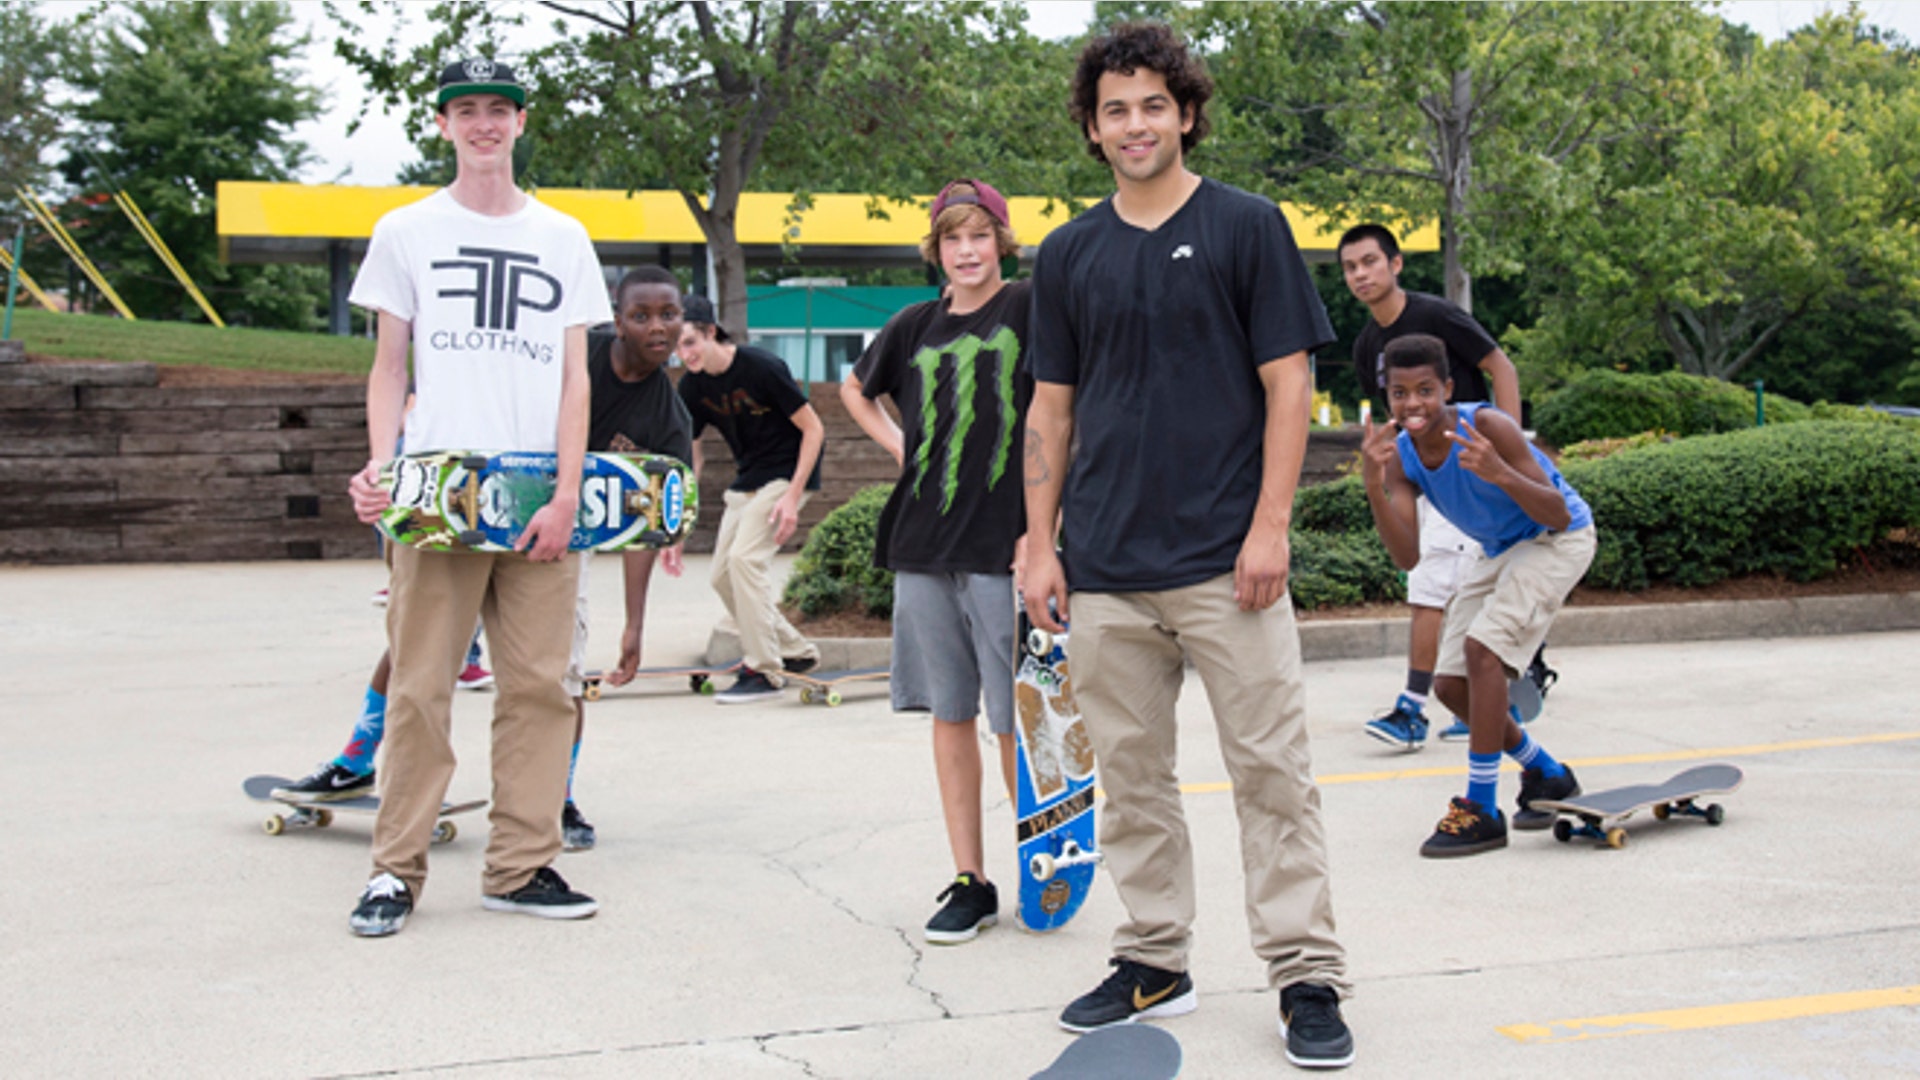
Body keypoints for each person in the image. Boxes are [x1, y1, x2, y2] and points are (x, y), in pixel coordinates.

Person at [1020, 21, 1353, 1069]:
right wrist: (1040, 545)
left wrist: (1270, 528)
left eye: (1153, 105)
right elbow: (1051, 410)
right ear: (1091, 126)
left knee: (1272, 775)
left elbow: (1288, 385)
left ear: (1188, 112)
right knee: (1134, 780)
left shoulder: (1250, 228)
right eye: (1115, 109)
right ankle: (1155, 957)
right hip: (1107, 570)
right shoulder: (1070, 252)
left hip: (1227, 565)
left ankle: (1306, 974)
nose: (1135, 124)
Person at [342, 57, 610, 937]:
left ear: (522, 124)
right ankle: (395, 871)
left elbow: (578, 382)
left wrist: (569, 493)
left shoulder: (564, 235)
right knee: (420, 687)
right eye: (468, 110)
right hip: (439, 494)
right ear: (445, 124)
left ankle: (521, 864)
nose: (485, 124)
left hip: (538, 492)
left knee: (539, 686)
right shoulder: (407, 230)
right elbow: (389, 366)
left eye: (500, 110)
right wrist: (385, 466)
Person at [840, 179, 1030, 944]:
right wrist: (899, 447)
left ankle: (1045, 857)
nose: (967, 250)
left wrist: (1044, 529)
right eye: (953, 238)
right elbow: (857, 391)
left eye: (980, 235)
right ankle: (970, 880)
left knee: (1015, 718)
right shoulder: (913, 324)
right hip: (921, 542)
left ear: (1002, 240)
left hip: (1003, 542)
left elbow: (1062, 410)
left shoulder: (1031, 310)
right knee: (951, 714)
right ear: (936, 249)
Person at [1359, 333, 1592, 857]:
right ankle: (1546, 772)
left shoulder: (1487, 426)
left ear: (1446, 387)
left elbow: (1557, 512)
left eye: (1424, 390)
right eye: (1399, 393)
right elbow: (1407, 557)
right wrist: (1374, 484)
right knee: (1449, 686)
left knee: (1482, 653)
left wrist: (1500, 473)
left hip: (1555, 539)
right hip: (1499, 549)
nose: (1413, 404)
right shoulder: (1400, 457)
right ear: (1387, 397)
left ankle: (1482, 808)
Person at [1337, 223, 1554, 748]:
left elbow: (1498, 364)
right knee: (1450, 583)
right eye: (1350, 268)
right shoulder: (1368, 345)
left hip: (1471, 465)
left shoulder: (1435, 315)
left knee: (1432, 584)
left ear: (1396, 264)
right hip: (1428, 479)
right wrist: (1388, 479)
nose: (1360, 274)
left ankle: (1414, 708)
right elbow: (1393, 422)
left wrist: (1506, 442)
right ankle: (1505, 684)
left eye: (1370, 262)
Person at [675, 293, 824, 703]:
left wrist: (793, 496)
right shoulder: (692, 385)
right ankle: (794, 651)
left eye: (688, 342)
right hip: (747, 481)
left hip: (787, 475)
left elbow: (814, 429)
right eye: (675, 345)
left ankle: (763, 670)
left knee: (745, 561)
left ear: (710, 332)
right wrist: (678, 523)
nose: (682, 353)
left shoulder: (761, 367)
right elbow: (693, 454)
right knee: (722, 576)